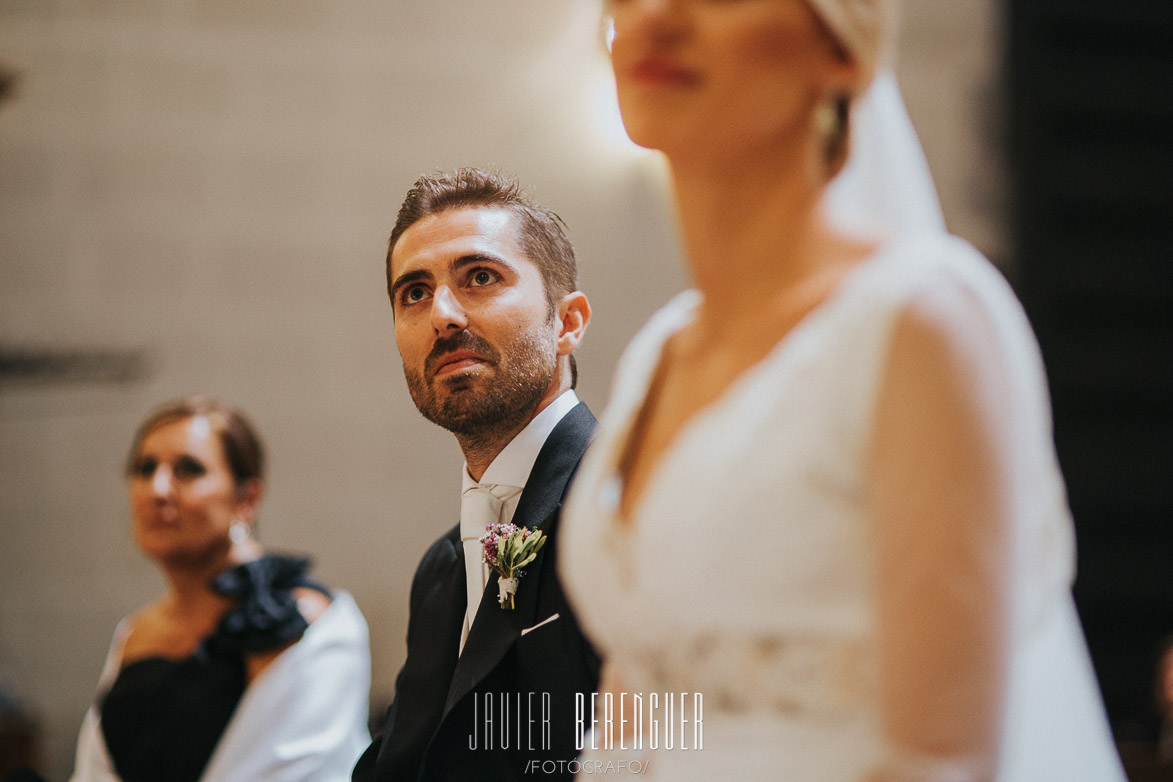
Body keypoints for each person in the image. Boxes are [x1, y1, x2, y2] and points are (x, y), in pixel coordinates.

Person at [558, 1, 1126, 780]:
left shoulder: (922, 321)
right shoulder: (660, 350)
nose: (654, 15)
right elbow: (640, 700)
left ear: (844, 52)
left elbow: (940, 762)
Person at [351, 169, 601, 782]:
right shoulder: (440, 571)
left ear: (567, 323)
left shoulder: (629, 511)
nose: (441, 314)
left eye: (480, 278)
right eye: (413, 292)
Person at [70, 397, 371, 782]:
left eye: (188, 470)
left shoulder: (318, 625)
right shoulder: (133, 634)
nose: (157, 489)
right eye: (145, 469)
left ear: (247, 498)